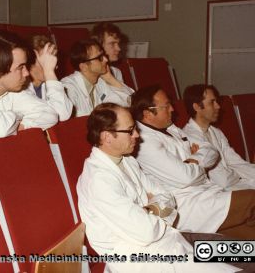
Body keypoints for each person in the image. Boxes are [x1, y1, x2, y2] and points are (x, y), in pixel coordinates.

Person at [77, 103, 237, 273]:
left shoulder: (127, 160)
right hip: (147, 259)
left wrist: (149, 210)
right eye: (130, 130)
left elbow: (167, 196)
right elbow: (146, 232)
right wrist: (156, 208)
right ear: (107, 136)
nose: (137, 135)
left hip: (171, 239)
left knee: (246, 252)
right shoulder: (99, 181)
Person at [131, 85, 255, 239]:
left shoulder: (171, 129)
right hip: (187, 207)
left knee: (249, 243)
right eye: (166, 106)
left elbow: (211, 151)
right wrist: (196, 161)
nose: (173, 109)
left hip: (208, 196)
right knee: (252, 200)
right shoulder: (144, 143)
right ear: (148, 113)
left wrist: (192, 160)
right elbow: (185, 177)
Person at [183, 84, 255, 190]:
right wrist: (237, 174)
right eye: (212, 102)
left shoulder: (216, 132)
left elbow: (237, 163)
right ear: (197, 107)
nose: (218, 106)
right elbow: (222, 180)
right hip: (219, 192)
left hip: (235, 183)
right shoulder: (189, 137)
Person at [61, 39, 132, 117]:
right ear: (84, 66)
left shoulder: (100, 81)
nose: (106, 59)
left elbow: (128, 102)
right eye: (100, 58)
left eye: (103, 55)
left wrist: (110, 78)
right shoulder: (68, 87)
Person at [25, 34, 72, 121]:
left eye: (53, 60)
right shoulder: (20, 90)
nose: (53, 66)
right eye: (46, 61)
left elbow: (64, 113)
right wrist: (49, 71)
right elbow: (62, 115)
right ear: (29, 62)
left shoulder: (47, 85)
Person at [91, 22, 133, 90]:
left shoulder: (116, 72)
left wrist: (111, 79)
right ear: (98, 46)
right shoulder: (90, 73)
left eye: (118, 44)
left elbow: (127, 99)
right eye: (112, 44)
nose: (118, 49)